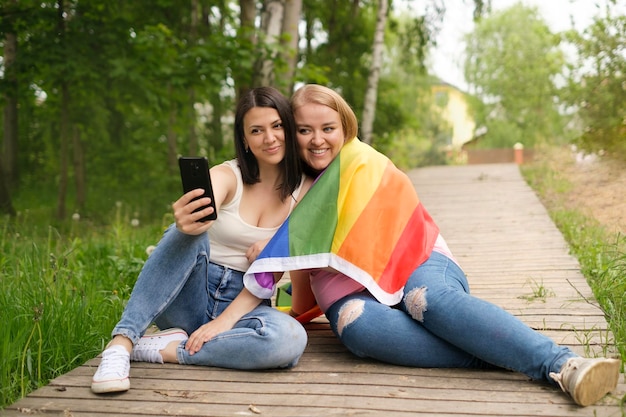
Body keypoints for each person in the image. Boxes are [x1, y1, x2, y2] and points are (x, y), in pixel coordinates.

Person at [241, 84, 621, 407]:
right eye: (305, 130)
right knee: (356, 327)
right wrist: (281, 257)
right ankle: (493, 347)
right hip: (352, 297)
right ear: (293, 134)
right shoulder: (295, 195)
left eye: (328, 128)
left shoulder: (366, 166)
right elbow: (307, 303)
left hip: (416, 263)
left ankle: (563, 364)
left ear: (346, 128)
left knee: (426, 300)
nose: (317, 139)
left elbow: (407, 229)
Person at [91, 86, 312, 394]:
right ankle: (121, 344)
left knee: (289, 340)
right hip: (190, 293)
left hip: (245, 304)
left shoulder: (306, 191)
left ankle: (170, 350)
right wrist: (187, 221)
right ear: (245, 140)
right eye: (256, 130)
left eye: (277, 126)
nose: (270, 138)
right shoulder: (226, 175)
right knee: (191, 232)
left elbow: (283, 273)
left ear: (288, 127)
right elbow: (210, 193)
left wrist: (275, 256)